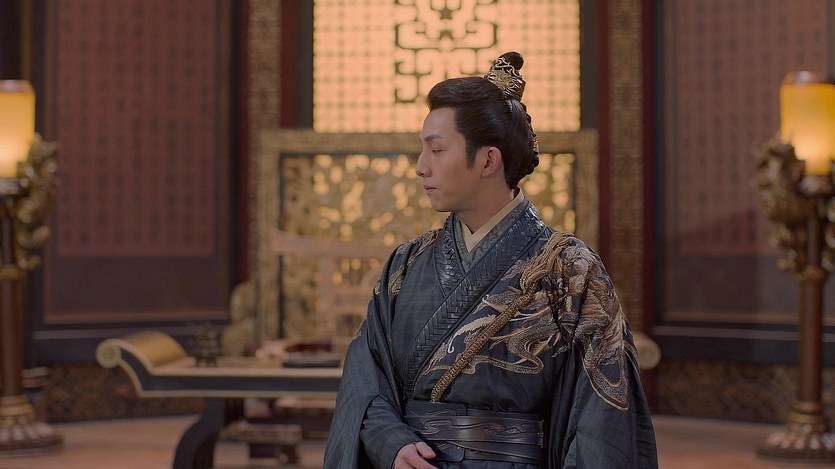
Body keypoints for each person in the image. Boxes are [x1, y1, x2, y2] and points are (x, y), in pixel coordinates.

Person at [324, 51, 658, 468]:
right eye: (422, 150)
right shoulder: (406, 265)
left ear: (487, 160)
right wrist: (391, 442)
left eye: (437, 150)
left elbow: (602, 420)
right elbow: (364, 377)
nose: (421, 167)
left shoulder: (570, 271)